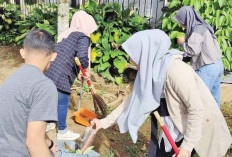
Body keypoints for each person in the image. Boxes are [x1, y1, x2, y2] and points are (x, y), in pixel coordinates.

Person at [90, 29, 232, 157]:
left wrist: (187, 148)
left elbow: (196, 109)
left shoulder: (176, 71)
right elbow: (132, 101)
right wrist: (103, 123)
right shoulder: (149, 70)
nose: (131, 60)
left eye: (134, 55)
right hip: (173, 124)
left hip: (195, 128)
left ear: (146, 53)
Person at [0, 29, 59, 157]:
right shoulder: (44, 86)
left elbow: (27, 123)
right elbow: (34, 143)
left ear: (22, 53)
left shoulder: (11, 79)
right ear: (53, 56)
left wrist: (49, 144)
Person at [45, 10, 98, 140]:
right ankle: (62, 131)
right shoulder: (82, 36)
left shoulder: (66, 34)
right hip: (62, 72)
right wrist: (86, 70)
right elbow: (82, 56)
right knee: (63, 102)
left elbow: (69, 55)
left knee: (52, 98)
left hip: (50, 68)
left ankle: (49, 123)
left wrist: (80, 74)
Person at [173, 6, 223, 107]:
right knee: (214, 99)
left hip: (207, 68)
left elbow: (192, 51)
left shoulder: (197, 30)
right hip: (218, 65)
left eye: (181, 21)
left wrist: (182, 43)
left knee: (201, 98)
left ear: (186, 19)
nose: (181, 24)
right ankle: (215, 122)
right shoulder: (203, 26)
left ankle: (203, 122)